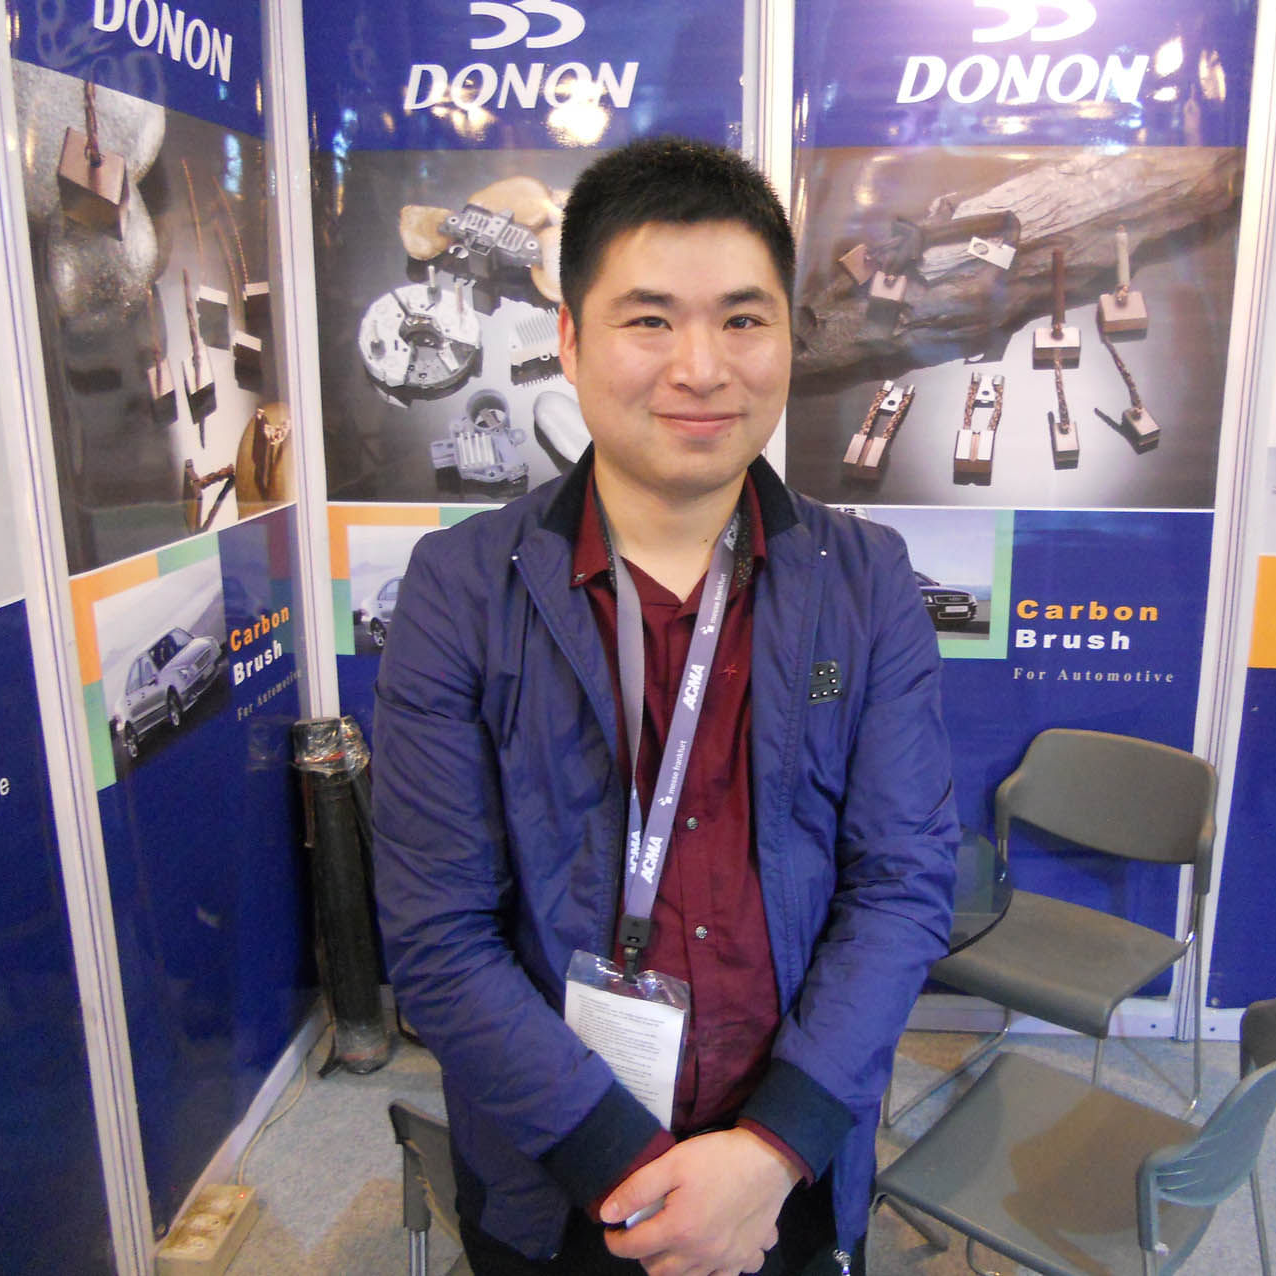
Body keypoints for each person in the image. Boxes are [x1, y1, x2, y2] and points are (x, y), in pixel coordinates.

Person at [372, 136, 957, 1276]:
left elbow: (902, 883)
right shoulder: (462, 590)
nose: (701, 367)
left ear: (787, 337)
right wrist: (629, 1168)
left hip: (783, 1168)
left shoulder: (866, 581)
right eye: (649, 319)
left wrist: (768, 1155)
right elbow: (438, 934)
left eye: (743, 319)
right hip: (560, 1174)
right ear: (570, 340)